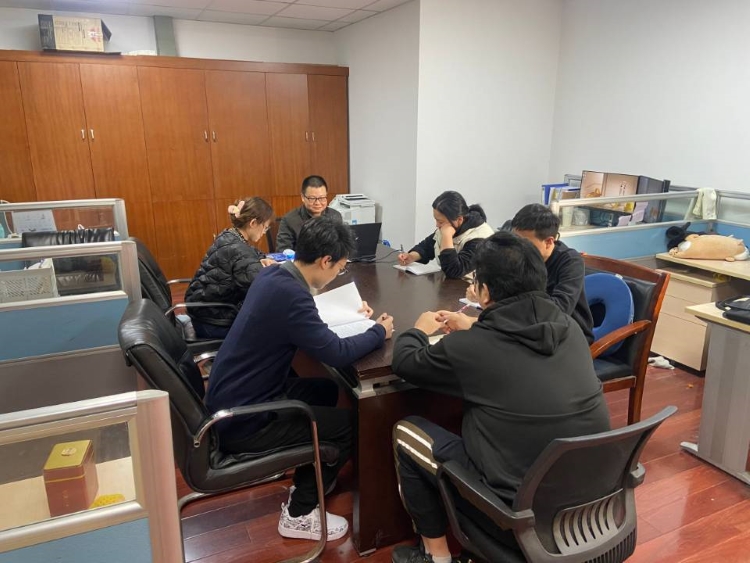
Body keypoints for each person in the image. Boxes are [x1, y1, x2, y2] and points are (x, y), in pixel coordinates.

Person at [389, 231, 610, 563]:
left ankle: (436, 557)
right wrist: (476, 324)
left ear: (485, 291)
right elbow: (514, 342)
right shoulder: (569, 329)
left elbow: (406, 362)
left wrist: (418, 330)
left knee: (406, 432)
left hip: (517, 520)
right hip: (593, 511)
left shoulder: (474, 348)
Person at [205, 216, 394, 543]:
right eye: (340, 268)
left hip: (234, 395)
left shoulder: (275, 275)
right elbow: (335, 352)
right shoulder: (292, 296)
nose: (338, 274)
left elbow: (304, 317)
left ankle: (312, 470)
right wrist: (378, 331)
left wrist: (349, 314)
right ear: (325, 261)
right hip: (245, 420)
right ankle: (299, 514)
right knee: (349, 425)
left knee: (324, 389)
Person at [464, 203, 595, 343]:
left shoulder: (570, 261)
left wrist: (477, 320)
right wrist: (482, 291)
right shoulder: (519, 257)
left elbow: (559, 309)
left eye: (525, 243)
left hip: (566, 335)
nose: (517, 248)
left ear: (549, 242)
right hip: (527, 328)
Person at [185, 197, 277, 339]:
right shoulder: (240, 251)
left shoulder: (228, 235)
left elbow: (248, 253)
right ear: (253, 223)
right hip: (215, 323)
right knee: (274, 326)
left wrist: (261, 259)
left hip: (203, 313)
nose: (265, 232)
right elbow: (263, 289)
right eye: (265, 227)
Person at [397, 191, 494, 279]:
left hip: (473, 290)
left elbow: (454, 271)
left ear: (459, 219)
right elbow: (426, 248)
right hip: (450, 287)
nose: (437, 225)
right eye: (436, 220)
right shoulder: (449, 227)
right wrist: (411, 256)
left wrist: (447, 236)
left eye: (440, 222)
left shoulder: (480, 237)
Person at [276, 175, 343, 252]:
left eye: (322, 198)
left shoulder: (335, 216)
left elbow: (342, 247)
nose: (317, 203)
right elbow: (283, 251)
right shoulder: (289, 220)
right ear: (303, 197)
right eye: (312, 198)